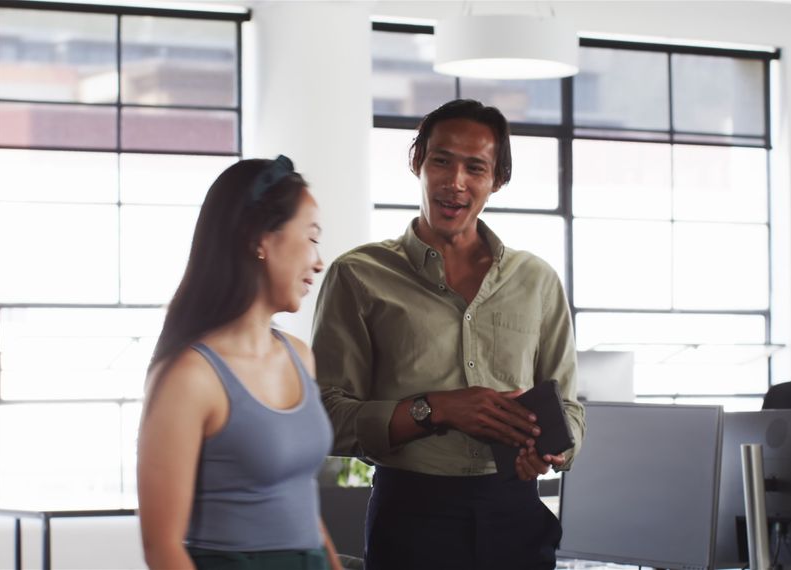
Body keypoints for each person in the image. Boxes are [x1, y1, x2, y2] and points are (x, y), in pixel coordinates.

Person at [312, 99, 586, 570]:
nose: (455, 181)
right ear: (417, 160)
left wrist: (551, 450)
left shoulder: (536, 280)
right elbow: (325, 416)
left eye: (475, 167)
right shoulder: (358, 275)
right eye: (441, 160)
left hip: (516, 516)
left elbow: (570, 410)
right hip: (411, 516)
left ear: (497, 180)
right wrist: (435, 408)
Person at [137, 157, 342, 570]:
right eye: (312, 237)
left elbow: (303, 503)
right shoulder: (190, 377)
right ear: (260, 239)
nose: (319, 261)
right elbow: (162, 547)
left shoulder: (300, 356)